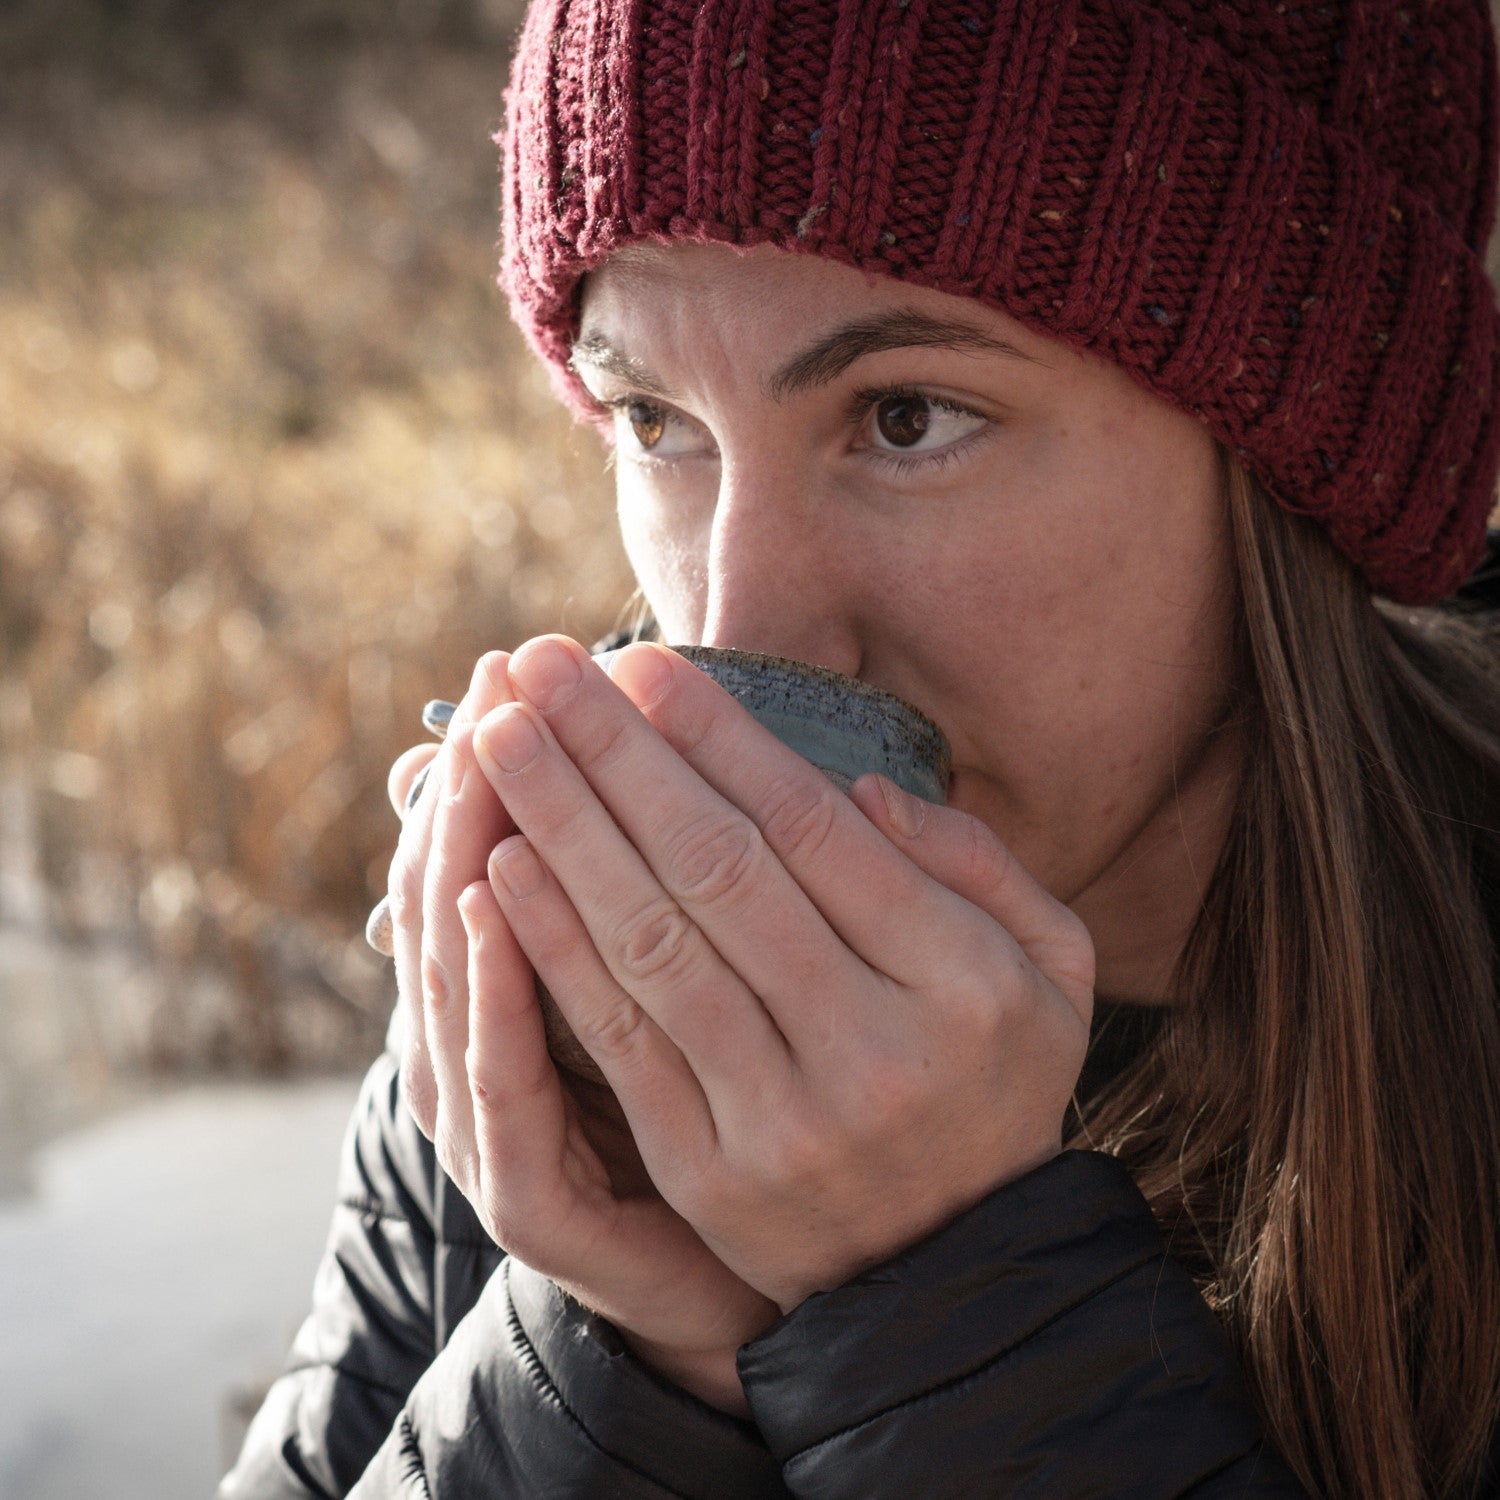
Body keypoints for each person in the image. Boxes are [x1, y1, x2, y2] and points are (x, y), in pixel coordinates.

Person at [219, 0, 1500, 1495]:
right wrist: (635, 1357)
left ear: (1296, 452)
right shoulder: (574, 982)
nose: (738, 631)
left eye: (906, 418)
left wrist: (950, 1315)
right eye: (653, 418)